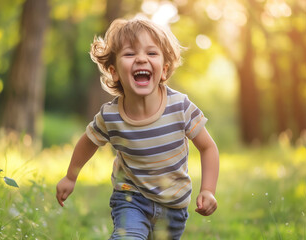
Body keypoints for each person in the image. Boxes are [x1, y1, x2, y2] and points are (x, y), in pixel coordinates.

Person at [56, 17, 219, 240]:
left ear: (164, 69)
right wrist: (70, 177)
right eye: (130, 54)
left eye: (151, 53)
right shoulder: (110, 116)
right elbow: (88, 141)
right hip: (130, 198)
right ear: (113, 72)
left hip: (173, 206)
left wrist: (208, 190)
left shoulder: (180, 107)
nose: (141, 59)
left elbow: (208, 148)